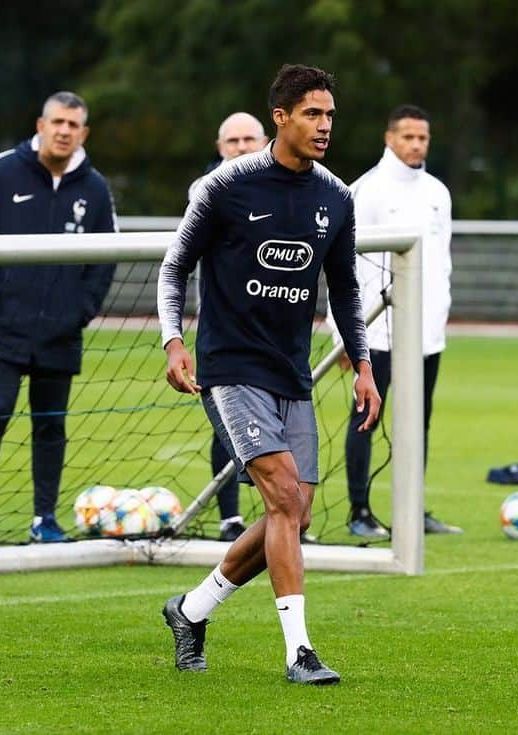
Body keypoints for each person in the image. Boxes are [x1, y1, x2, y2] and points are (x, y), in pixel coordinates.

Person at [157, 64, 379, 685]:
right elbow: (173, 269)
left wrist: (362, 366)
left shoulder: (335, 197)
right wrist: (175, 342)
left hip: (292, 372)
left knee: (296, 513)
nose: (325, 125)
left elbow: (346, 290)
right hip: (230, 368)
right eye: (313, 114)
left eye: (331, 115)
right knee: (283, 499)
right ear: (280, 118)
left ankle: (191, 610)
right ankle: (299, 652)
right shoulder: (226, 186)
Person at [0, 91, 117, 547]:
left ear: (83, 133)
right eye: (57, 122)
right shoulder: (2, 170)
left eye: (73, 125)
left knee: (51, 424)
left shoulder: (95, 187)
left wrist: (80, 312)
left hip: (60, 333)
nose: (64, 131)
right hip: (0, 327)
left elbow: (107, 259)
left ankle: (44, 519)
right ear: (41, 125)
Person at [334, 104, 462, 539]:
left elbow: (441, 262)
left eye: (422, 138)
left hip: (425, 333)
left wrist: (439, 315)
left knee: (417, 421)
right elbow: (341, 268)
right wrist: (345, 336)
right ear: (389, 139)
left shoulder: (437, 193)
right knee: (366, 418)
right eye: (407, 136)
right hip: (376, 331)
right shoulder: (364, 192)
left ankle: (412, 509)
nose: (416, 144)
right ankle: (359, 511)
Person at [189, 112, 269, 542]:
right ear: (220, 148)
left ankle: (285, 515)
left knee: (284, 423)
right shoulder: (206, 191)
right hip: (222, 331)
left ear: (265, 141)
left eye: (249, 139)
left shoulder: (288, 185)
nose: (240, 146)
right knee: (227, 422)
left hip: (275, 330)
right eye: (232, 140)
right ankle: (230, 518)